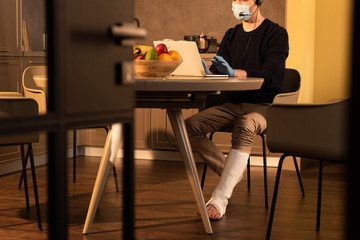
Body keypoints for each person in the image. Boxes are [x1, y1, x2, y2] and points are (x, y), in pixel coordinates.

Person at [185, 0, 289, 220]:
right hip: (232, 105)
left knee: (245, 125)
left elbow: (273, 75)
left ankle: (220, 198)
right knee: (189, 126)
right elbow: (219, 72)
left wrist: (235, 72)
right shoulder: (232, 34)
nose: (238, 4)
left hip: (264, 106)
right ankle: (230, 173)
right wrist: (209, 74)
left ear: (258, 2)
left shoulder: (276, 33)